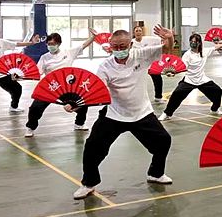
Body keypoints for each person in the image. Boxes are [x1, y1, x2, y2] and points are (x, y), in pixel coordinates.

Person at [72, 26, 176, 200]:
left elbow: (167, 48)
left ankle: (155, 173)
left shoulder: (141, 55)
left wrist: (170, 37)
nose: (119, 50)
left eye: (122, 46)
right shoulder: (105, 66)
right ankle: (88, 183)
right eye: (115, 47)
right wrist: (76, 104)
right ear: (110, 46)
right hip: (114, 114)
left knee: (163, 141)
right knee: (92, 148)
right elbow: (96, 90)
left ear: (130, 45)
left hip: (141, 113)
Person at [24, 30, 97, 137]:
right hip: (51, 87)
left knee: (82, 103)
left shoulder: (69, 52)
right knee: (35, 108)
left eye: (53, 44)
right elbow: (37, 73)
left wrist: (93, 37)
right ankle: (30, 127)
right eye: (49, 44)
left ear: (59, 44)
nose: (51, 46)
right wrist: (20, 77)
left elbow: (83, 45)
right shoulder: (44, 57)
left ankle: (79, 124)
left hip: (67, 88)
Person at [158, 33, 222, 121]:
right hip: (189, 80)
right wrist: (173, 73)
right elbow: (182, 67)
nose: (193, 43)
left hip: (202, 80)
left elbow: (216, 47)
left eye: (195, 41)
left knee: (218, 91)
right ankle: (167, 113)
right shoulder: (187, 55)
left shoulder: (204, 51)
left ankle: (215, 109)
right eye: (191, 41)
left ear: (199, 43)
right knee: (176, 94)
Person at [133, 26, 168, 104]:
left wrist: (165, 36)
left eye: (140, 31)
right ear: (134, 33)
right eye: (136, 31)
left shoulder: (149, 39)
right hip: (138, 66)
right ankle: (136, 99)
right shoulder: (132, 43)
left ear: (142, 32)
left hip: (150, 64)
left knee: (158, 79)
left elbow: (162, 41)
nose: (138, 32)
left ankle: (158, 97)